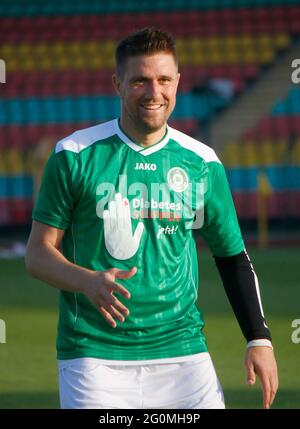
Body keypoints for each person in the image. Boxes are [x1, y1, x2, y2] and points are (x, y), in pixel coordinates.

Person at [25, 27, 278, 409]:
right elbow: (38, 254)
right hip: (94, 357)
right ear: (117, 84)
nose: (153, 92)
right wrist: (87, 281)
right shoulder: (74, 154)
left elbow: (232, 257)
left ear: (177, 82)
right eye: (140, 80)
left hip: (184, 354)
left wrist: (258, 339)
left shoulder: (202, 162)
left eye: (163, 80)